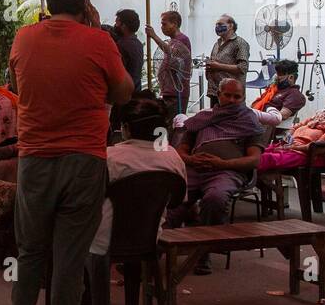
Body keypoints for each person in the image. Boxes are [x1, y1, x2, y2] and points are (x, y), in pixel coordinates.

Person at [4, 0, 132, 305]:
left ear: (47, 2)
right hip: (83, 161)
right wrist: (99, 34)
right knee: (70, 255)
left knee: (31, 252)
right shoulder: (98, 43)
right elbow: (124, 92)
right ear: (85, 3)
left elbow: (20, 84)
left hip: (34, 161)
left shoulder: (24, 39)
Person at [164, 78, 265, 273]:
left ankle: (203, 252)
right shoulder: (203, 119)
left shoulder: (249, 121)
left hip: (228, 172)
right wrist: (191, 160)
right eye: (227, 95)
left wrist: (222, 163)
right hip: (195, 170)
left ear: (243, 98)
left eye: (237, 96)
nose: (232, 100)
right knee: (171, 199)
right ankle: (155, 251)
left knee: (215, 198)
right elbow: (181, 150)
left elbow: (254, 160)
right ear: (218, 95)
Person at [90, 94, 186, 257]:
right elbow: (177, 202)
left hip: (101, 243)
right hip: (149, 239)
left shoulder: (109, 157)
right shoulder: (172, 156)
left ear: (126, 128)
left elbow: (88, 198)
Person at [147, 10, 192, 116]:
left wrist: (154, 36)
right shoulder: (171, 41)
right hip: (168, 91)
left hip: (177, 92)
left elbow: (172, 52)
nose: (162, 27)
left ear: (174, 24)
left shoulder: (182, 39)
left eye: (164, 24)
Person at [204, 14, 249, 107]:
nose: (217, 27)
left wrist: (218, 66)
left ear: (231, 26)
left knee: (229, 120)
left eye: (220, 24)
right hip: (215, 91)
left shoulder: (240, 43)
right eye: (216, 25)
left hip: (231, 95)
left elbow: (242, 67)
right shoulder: (217, 43)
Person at [250, 58, 307, 123]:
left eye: (280, 74)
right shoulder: (273, 90)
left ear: (291, 77)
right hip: (254, 122)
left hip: (265, 128)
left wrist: (254, 115)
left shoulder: (295, 95)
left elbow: (280, 116)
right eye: (277, 73)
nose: (276, 77)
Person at [109, 9, 145, 92]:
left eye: (117, 22)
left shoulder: (123, 45)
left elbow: (117, 74)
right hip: (135, 90)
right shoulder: (138, 43)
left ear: (124, 25)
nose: (115, 25)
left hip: (125, 94)